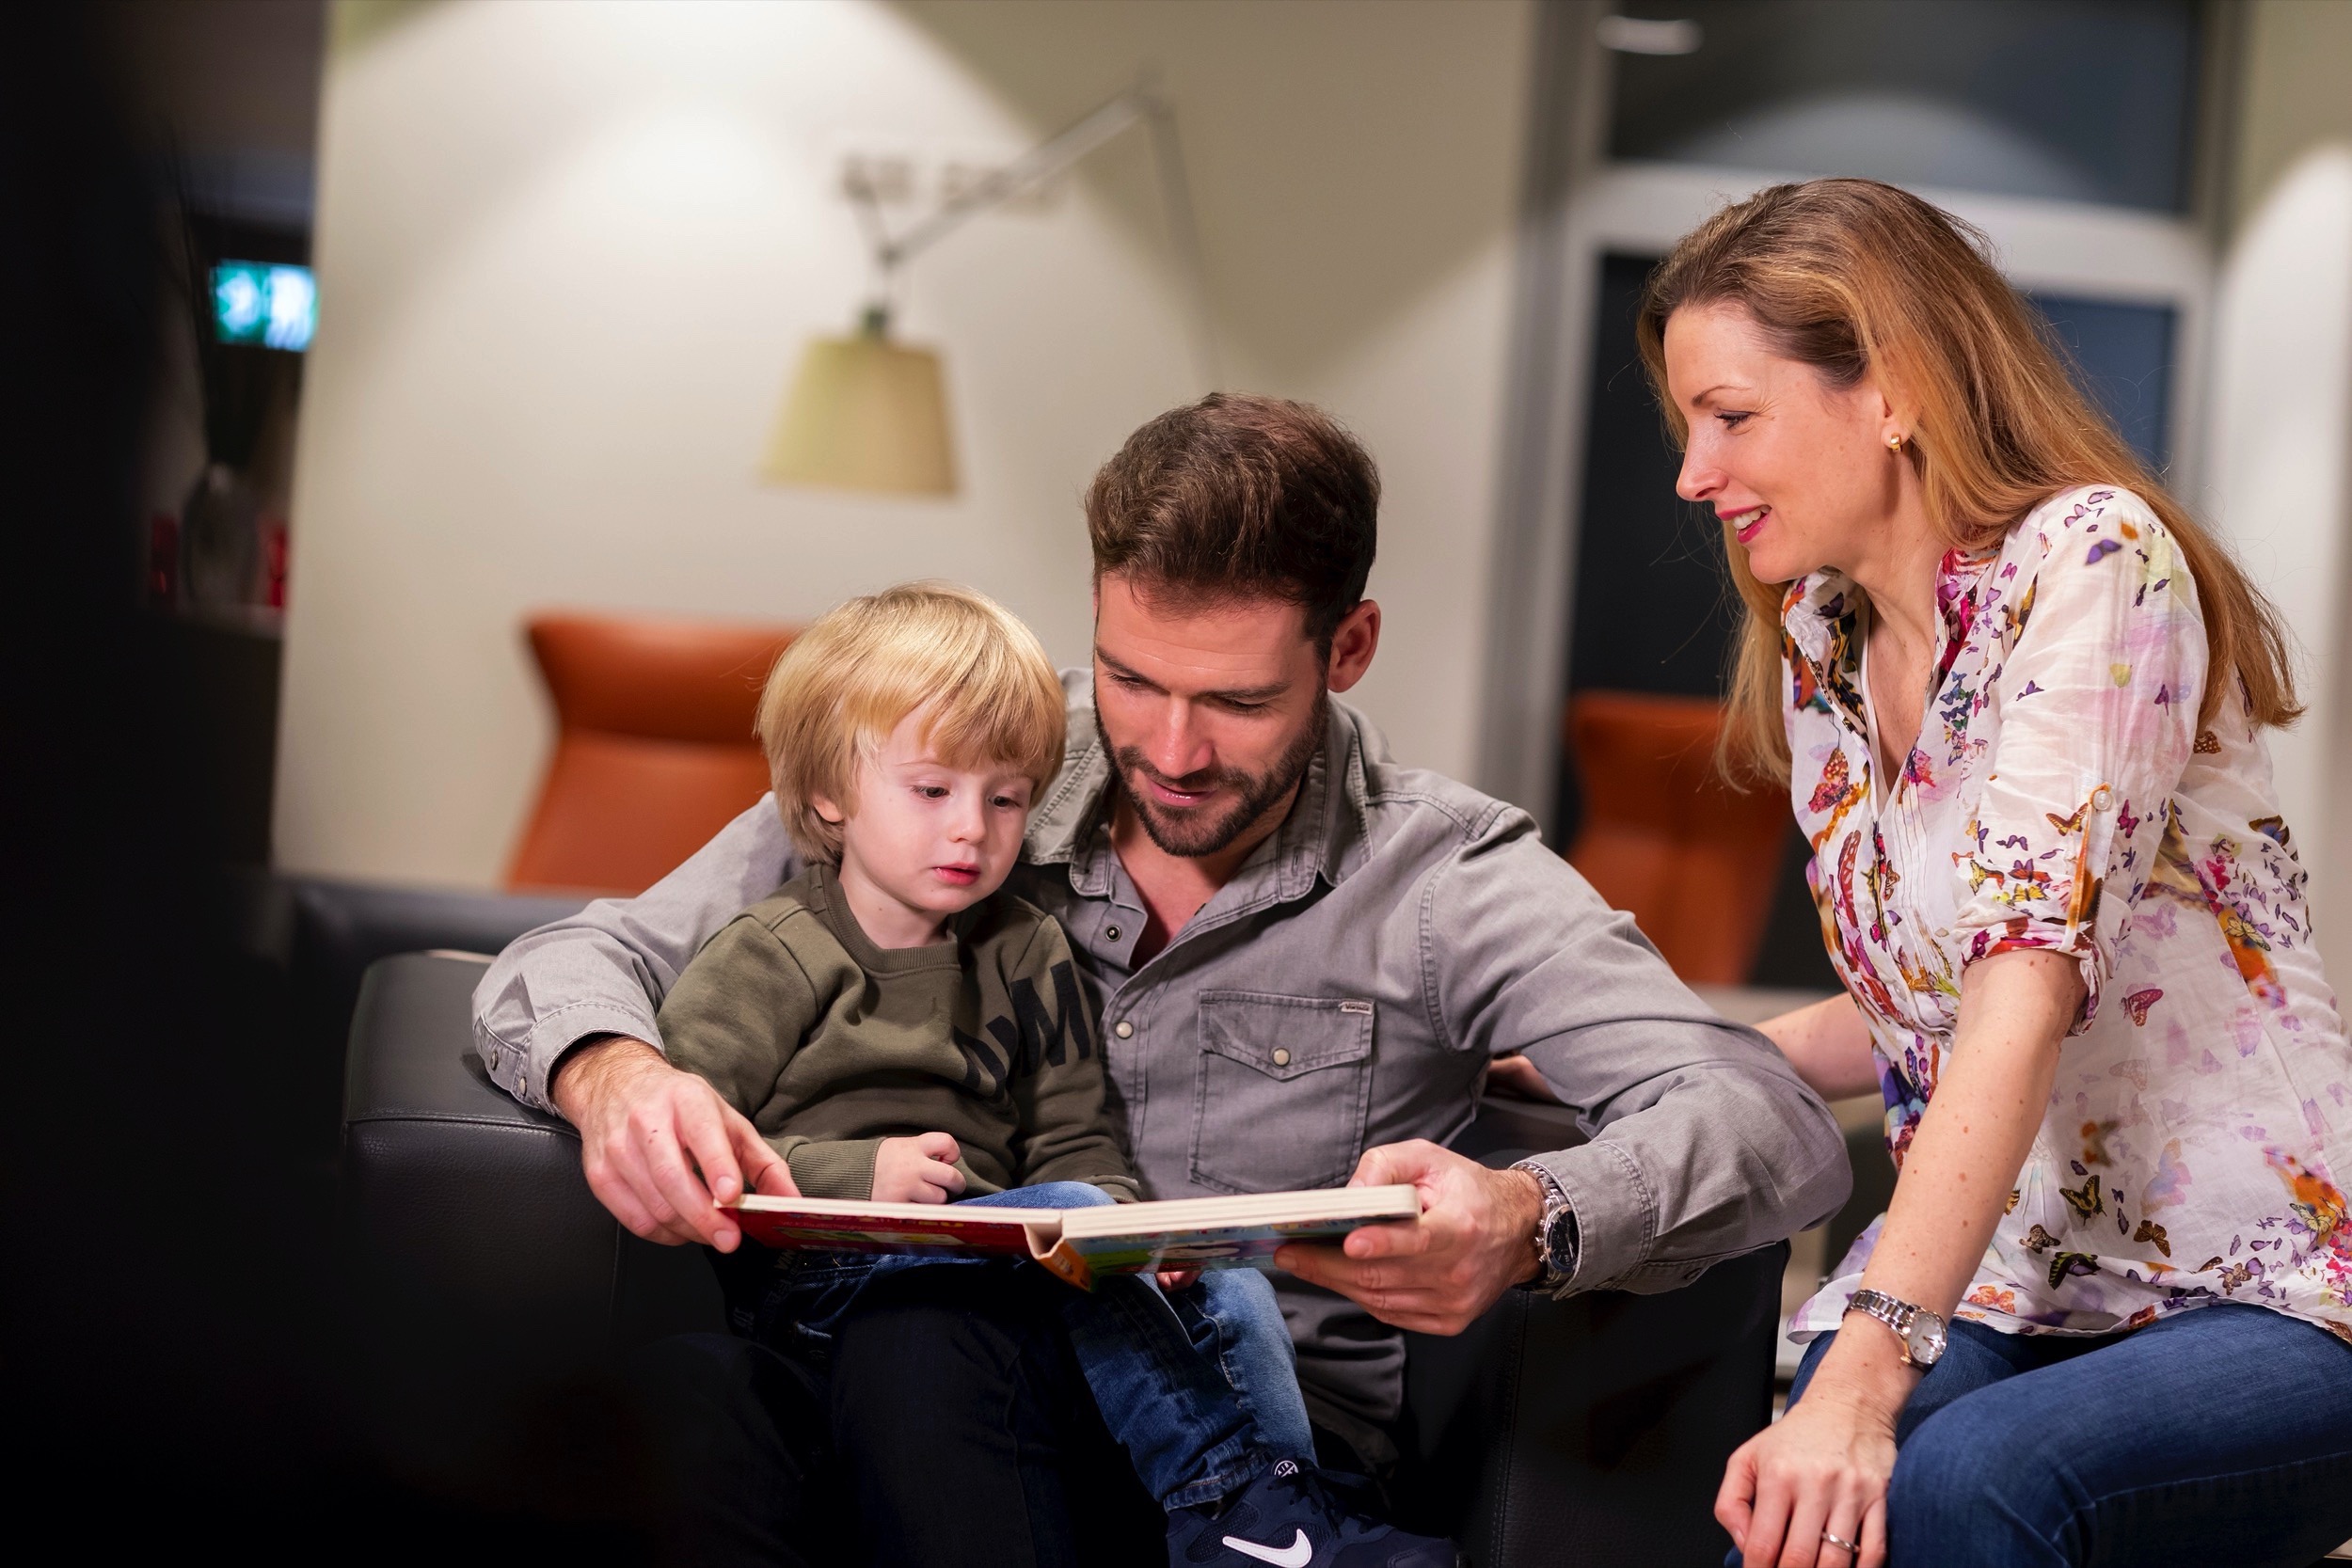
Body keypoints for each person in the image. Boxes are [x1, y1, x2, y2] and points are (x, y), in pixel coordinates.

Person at [473, 393, 1851, 1563]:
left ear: (1347, 651)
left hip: (1220, 1466)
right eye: (1132, 679)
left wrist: (1530, 1209)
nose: (1172, 749)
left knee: (927, 1340)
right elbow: (576, 959)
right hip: (870, 1380)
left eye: (1238, 701)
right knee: (687, 1400)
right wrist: (617, 1075)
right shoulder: (968, 761)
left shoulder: (1446, 879)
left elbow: (1766, 1122)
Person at [1638, 178, 2352, 1568]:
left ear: (1891, 388)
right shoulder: (1824, 641)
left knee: (1959, 1476)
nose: (1692, 473)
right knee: (1778, 1515)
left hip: (2270, 1293)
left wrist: (1860, 1371)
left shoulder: (2091, 559)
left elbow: (2019, 1005)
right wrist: (1655, 1061)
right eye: (1686, 428)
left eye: (1730, 416)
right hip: (2021, 1288)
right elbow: (1924, 1013)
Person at [657, 579, 1455, 1567]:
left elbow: (1074, 1134)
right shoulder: (769, 953)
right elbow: (689, 1141)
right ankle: (1230, 1501)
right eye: (933, 791)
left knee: (1232, 1284)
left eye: (1005, 799)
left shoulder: (1025, 946)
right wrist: (851, 1175)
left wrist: (1133, 1232)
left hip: (1004, 1265)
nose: (972, 830)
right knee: (1064, 1211)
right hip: (829, 1281)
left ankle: (1281, 1524)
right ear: (828, 793)